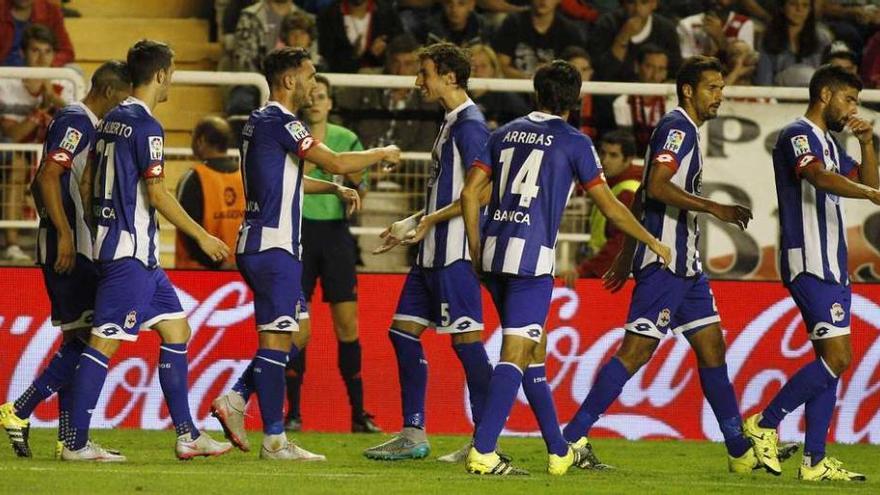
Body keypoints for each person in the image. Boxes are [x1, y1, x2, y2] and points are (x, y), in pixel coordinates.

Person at [461, 60, 671, 476]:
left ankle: (558, 450)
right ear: (575, 102)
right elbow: (610, 205)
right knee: (517, 352)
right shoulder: (574, 142)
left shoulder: (502, 133)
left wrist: (475, 248)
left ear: (536, 94)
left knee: (532, 354)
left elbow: (470, 193)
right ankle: (483, 450)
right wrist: (650, 240)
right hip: (530, 260)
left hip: (494, 252)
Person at [562, 56, 761, 474]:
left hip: (687, 266)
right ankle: (570, 439)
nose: (719, 96)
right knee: (635, 352)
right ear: (688, 90)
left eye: (722, 88)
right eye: (712, 87)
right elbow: (655, 185)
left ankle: (740, 450)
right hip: (667, 261)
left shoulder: (686, 130)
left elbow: (643, 198)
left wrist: (624, 251)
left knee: (712, 348)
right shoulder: (676, 128)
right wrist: (714, 208)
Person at [209, 46, 399, 461]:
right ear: (290, 79)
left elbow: (289, 181)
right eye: (310, 75)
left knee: (300, 333)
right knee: (276, 339)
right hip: (272, 246)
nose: (314, 84)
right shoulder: (280, 120)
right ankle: (274, 439)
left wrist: (332, 188)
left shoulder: (264, 123)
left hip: (270, 244)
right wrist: (379, 154)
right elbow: (332, 159)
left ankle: (238, 398)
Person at [62, 40, 233, 462]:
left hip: (132, 252)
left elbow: (86, 184)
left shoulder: (110, 120)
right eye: (171, 72)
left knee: (177, 330)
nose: (172, 78)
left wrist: (99, 226)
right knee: (104, 343)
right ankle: (76, 443)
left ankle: (188, 435)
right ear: (160, 75)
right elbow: (157, 193)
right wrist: (201, 236)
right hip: (130, 254)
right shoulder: (147, 127)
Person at [743, 64, 876, 482]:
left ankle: (815, 460)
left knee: (829, 361)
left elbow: (868, 183)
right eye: (849, 99)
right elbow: (817, 178)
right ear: (824, 95)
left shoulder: (832, 144)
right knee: (839, 357)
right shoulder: (797, 134)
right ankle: (765, 422)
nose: (852, 107)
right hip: (809, 259)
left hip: (833, 262)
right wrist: (873, 192)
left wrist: (867, 143)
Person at [363, 42, 493, 462]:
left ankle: (485, 440)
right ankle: (413, 433)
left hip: (454, 254)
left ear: (450, 77)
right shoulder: (451, 122)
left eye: (425, 73)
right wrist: (414, 221)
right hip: (431, 253)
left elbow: (484, 191)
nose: (418, 81)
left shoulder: (471, 124)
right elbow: (450, 192)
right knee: (402, 333)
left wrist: (431, 222)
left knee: (467, 344)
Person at [0, 61, 130, 459]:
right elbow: (46, 177)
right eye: (123, 100)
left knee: (79, 337)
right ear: (109, 92)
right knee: (94, 338)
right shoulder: (78, 122)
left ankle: (71, 439)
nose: (124, 110)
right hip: (69, 245)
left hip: (76, 243)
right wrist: (65, 234)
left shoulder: (83, 123)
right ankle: (19, 410)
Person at [283, 74, 381, 434]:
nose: (314, 101)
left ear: (329, 103)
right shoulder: (291, 135)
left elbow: (362, 188)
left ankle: (358, 414)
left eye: (320, 96)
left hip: (336, 236)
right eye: (311, 95)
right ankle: (292, 413)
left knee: (347, 326)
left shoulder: (346, 139)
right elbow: (288, 181)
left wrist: (348, 170)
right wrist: (319, 156)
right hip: (300, 234)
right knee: (298, 327)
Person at [0, 23, 73, 262]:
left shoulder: (67, 83)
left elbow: (78, 124)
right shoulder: (7, 83)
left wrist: (53, 98)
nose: (42, 58)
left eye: (47, 51)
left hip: (56, 155)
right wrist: (40, 110)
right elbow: (14, 135)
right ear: (22, 53)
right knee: (18, 164)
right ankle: (12, 245)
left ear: (54, 55)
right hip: (20, 156)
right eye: (35, 50)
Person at [562, 130, 642, 283]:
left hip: (613, 276)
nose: (604, 161)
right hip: (609, 273)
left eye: (613, 155)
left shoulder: (627, 192)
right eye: (602, 153)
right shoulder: (612, 186)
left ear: (628, 159)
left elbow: (620, 244)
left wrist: (583, 271)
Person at [175, 116, 244, 269]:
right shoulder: (245, 176)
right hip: (239, 273)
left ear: (201, 140)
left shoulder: (194, 178)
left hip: (197, 275)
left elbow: (187, 229)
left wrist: (216, 264)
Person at [589, 0, 682, 82]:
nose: (637, 9)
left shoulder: (666, 29)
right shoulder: (607, 24)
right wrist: (623, 37)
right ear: (623, 3)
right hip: (613, 92)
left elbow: (675, 71)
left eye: (644, 2)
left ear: (654, 3)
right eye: (631, 2)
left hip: (655, 93)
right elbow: (602, 73)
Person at [491, 0, 584, 79]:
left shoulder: (569, 32)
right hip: (517, 91)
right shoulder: (513, 23)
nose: (543, 1)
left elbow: (575, 70)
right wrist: (531, 79)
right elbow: (501, 65)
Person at [611, 43, 669, 155]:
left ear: (666, 73)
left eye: (661, 69)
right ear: (637, 67)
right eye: (649, 67)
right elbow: (626, 145)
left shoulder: (674, 103)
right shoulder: (622, 103)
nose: (655, 75)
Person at [755, 0, 830, 86]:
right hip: (780, 94)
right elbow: (764, 80)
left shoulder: (822, 38)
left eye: (805, 5)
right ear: (782, 7)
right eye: (793, 4)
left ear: (810, 10)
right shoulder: (768, 37)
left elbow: (826, 76)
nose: (799, 10)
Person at [317, 0, 403, 73]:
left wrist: (386, 50)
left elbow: (401, 48)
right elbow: (328, 59)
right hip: (343, 81)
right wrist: (358, 56)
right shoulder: (329, 16)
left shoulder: (387, 14)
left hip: (381, 80)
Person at [468, 44, 531, 130]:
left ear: (494, 69)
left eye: (483, 66)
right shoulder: (458, 97)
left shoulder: (507, 98)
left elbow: (527, 123)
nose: (477, 70)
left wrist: (500, 126)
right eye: (473, 66)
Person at [0, 0, 74, 67]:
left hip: (42, 71)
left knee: (74, 70)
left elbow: (66, 51)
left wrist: (48, 64)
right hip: (4, 73)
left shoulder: (51, 10)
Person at [677, 0, 755, 59]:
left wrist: (720, 38)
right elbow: (685, 62)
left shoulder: (744, 23)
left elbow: (746, 64)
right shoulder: (687, 24)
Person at [421, 0, 493, 47]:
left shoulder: (483, 27)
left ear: (471, 5)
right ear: (443, 4)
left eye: (461, 4)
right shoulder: (428, 28)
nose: (454, 9)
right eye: (449, 3)